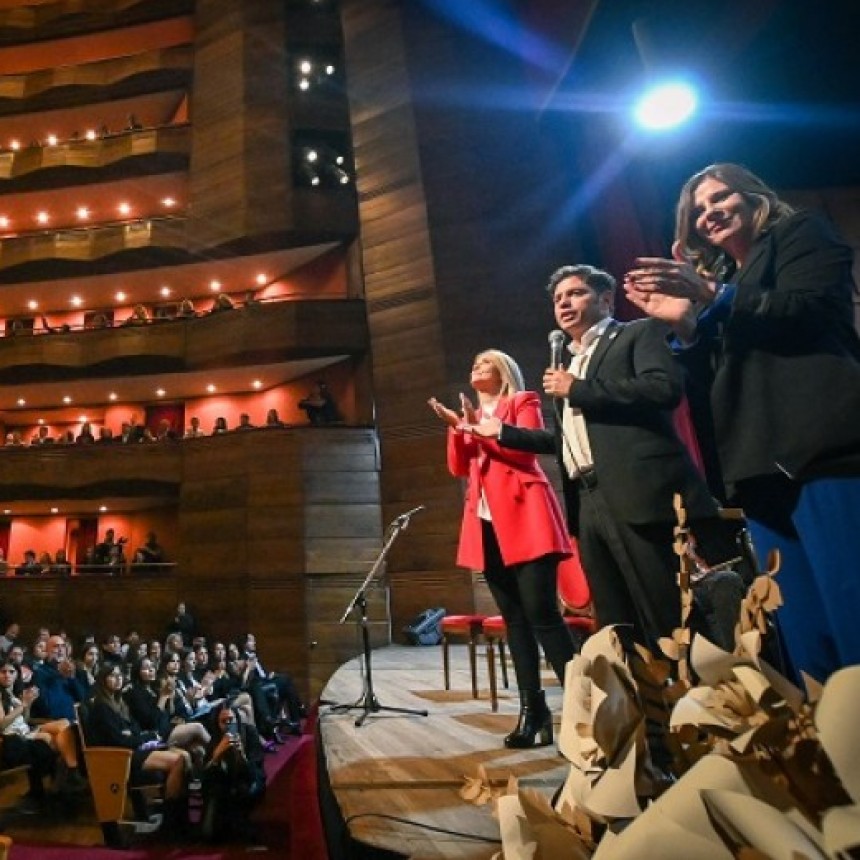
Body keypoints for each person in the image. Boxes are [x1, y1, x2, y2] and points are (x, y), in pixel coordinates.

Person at [624, 163, 860, 681]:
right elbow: (711, 379)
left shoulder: (800, 233)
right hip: (758, 468)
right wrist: (686, 328)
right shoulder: (725, 282)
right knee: (801, 633)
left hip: (824, 454)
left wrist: (713, 298)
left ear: (756, 197)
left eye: (720, 197)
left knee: (851, 610)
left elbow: (814, 310)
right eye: (698, 210)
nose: (709, 213)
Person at [470, 266, 721, 659]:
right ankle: (646, 711)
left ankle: (697, 703)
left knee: (665, 609)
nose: (564, 304)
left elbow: (664, 389)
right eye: (557, 299)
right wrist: (502, 432)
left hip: (636, 491)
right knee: (616, 619)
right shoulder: (568, 364)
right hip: (586, 500)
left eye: (575, 294)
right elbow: (565, 439)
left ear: (606, 299)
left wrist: (580, 389)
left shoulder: (638, 333)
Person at [428, 350, 574, 748]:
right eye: (473, 363)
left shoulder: (521, 402)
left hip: (526, 515)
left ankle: (584, 708)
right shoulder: (471, 414)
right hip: (487, 523)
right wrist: (459, 428)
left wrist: (478, 429)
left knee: (543, 614)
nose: (475, 367)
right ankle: (533, 712)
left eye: (484, 363)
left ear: (504, 371)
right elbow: (458, 467)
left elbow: (522, 452)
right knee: (514, 619)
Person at [85, 665, 190, 832]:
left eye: (119, 675)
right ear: (102, 681)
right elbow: (119, 740)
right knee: (178, 760)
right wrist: (144, 737)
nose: (118, 678)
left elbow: (134, 730)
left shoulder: (119, 703)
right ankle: (171, 822)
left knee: (185, 755)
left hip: (134, 749)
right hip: (121, 757)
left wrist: (134, 736)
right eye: (112, 676)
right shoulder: (101, 708)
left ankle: (180, 817)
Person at [200, 704, 266, 842]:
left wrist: (241, 755)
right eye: (223, 721)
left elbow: (255, 770)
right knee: (209, 835)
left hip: (247, 780)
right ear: (217, 723)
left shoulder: (250, 733)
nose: (228, 724)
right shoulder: (216, 737)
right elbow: (205, 776)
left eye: (231, 720)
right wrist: (217, 754)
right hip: (223, 783)